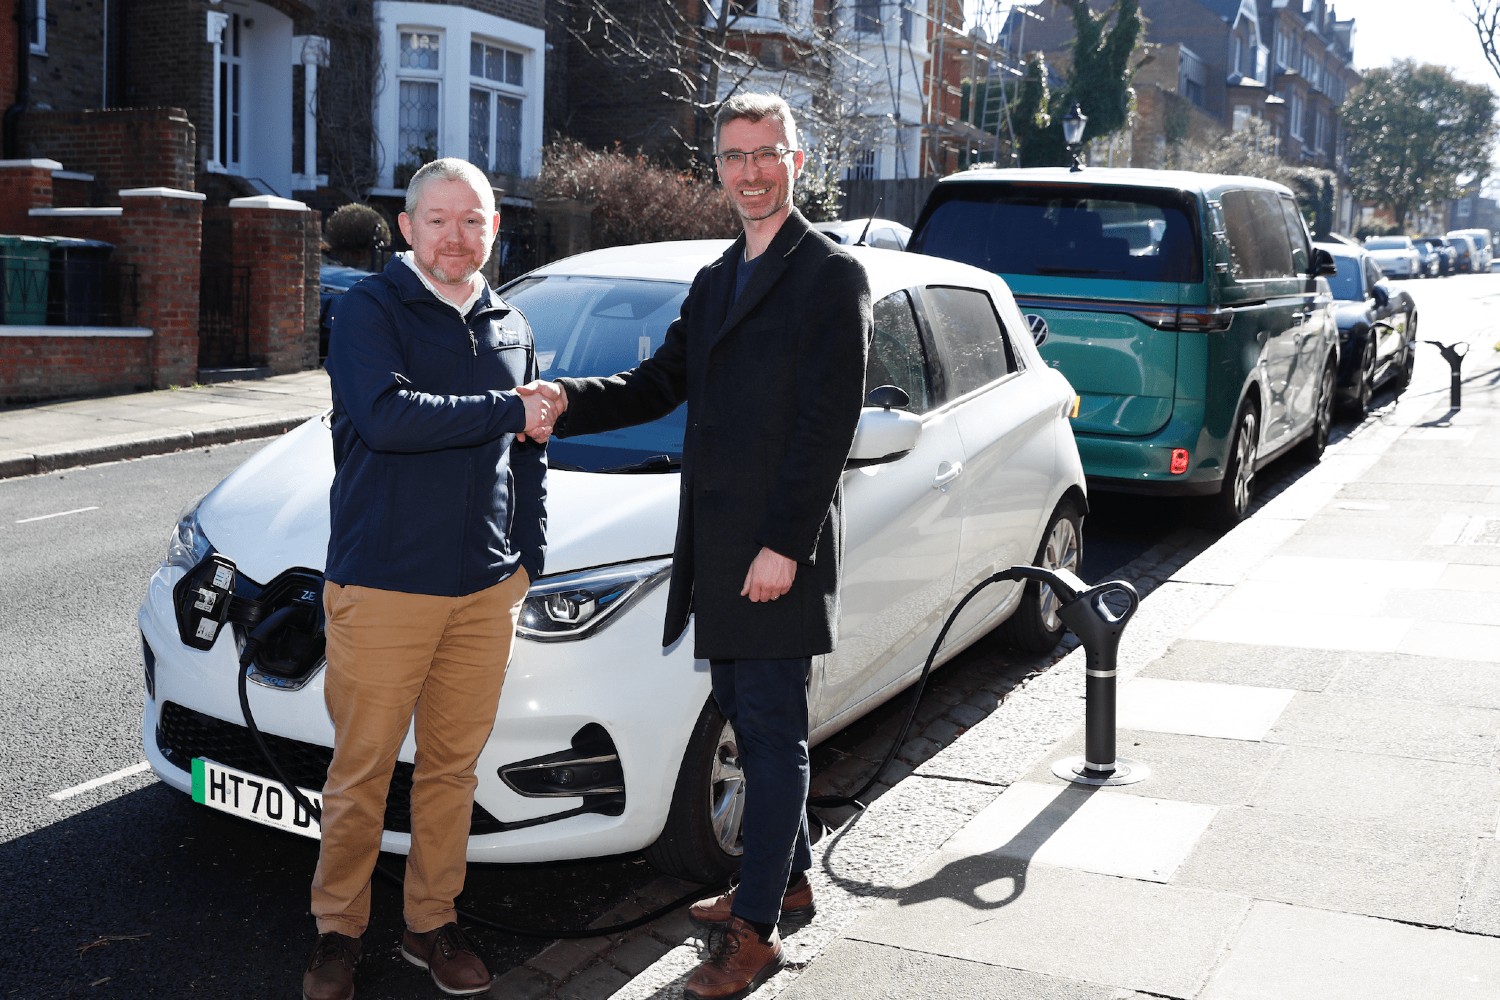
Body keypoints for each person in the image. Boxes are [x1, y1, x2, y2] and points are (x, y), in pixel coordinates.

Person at [522, 93, 872, 1000]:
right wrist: (566, 400)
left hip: (771, 554)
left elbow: (827, 428)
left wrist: (784, 547)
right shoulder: (718, 278)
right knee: (747, 716)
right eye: (733, 155)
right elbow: (659, 382)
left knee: (770, 731)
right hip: (715, 548)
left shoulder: (830, 275)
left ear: (797, 158)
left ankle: (754, 935)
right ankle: (784, 881)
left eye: (767, 153)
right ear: (715, 166)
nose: (751, 172)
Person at [302, 157, 552, 1000]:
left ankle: (429, 924)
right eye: (438, 219)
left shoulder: (511, 324)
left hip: (484, 594)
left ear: (493, 229)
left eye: (473, 220)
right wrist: (511, 407)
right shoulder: (371, 308)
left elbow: (529, 458)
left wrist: (528, 556)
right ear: (406, 227)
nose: (456, 235)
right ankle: (338, 932)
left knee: (451, 771)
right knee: (362, 772)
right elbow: (386, 416)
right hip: (382, 587)